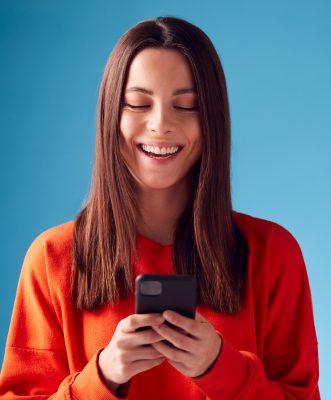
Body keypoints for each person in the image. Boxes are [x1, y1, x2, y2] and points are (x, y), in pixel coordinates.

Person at [0, 16, 320, 399]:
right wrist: (103, 376)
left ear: (213, 121)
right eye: (138, 103)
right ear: (110, 117)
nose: (160, 124)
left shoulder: (273, 253)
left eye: (186, 106)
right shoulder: (51, 258)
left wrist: (221, 369)